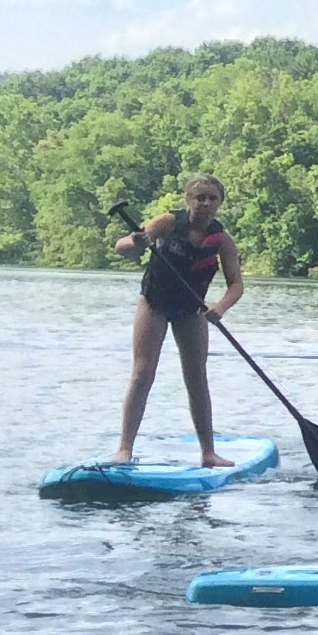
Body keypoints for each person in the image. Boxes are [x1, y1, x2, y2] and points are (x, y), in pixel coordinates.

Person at [110, 173, 244, 466]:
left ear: (220, 203)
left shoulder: (222, 240)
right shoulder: (168, 223)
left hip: (190, 309)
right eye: (200, 197)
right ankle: (124, 449)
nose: (205, 203)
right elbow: (121, 246)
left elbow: (236, 285)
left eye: (212, 198)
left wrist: (219, 308)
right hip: (154, 302)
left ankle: (208, 453)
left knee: (197, 377)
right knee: (143, 372)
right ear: (188, 200)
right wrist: (136, 242)